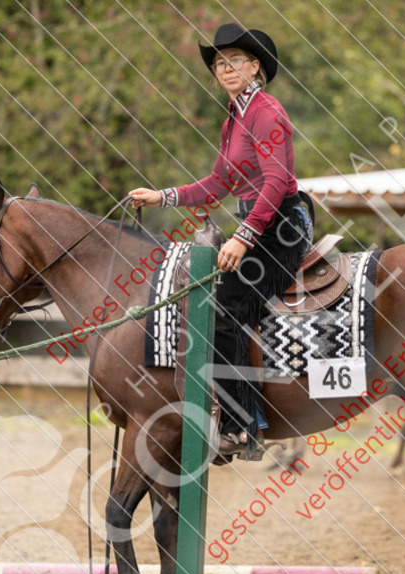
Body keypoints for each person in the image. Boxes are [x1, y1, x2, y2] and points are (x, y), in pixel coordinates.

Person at [129, 23, 310, 456]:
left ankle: (242, 425)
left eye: (234, 61)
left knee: (223, 304)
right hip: (261, 224)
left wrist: (244, 238)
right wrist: (163, 196)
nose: (224, 68)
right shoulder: (235, 116)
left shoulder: (265, 111)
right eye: (218, 62)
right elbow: (216, 184)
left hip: (280, 226)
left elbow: (276, 180)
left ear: (256, 68)